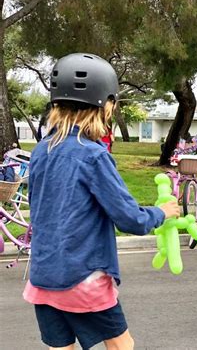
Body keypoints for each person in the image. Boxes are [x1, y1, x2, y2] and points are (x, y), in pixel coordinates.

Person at [23, 53, 180, 350]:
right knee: (122, 345)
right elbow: (130, 219)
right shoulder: (93, 155)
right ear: (104, 104)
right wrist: (161, 212)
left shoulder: (40, 151)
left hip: (42, 277)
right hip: (82, 278)